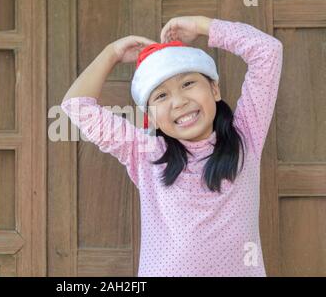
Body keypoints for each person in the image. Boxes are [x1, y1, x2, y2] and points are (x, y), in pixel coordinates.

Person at [60, 16, 283, 277]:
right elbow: (76, 105)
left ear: (214, 89)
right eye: (162, 96)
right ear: (151, 117)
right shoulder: (145, 153)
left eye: (188, 84)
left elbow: (268, 51)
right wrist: (112, 53)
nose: (179, 102)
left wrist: (202, 26)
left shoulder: (246, 135)